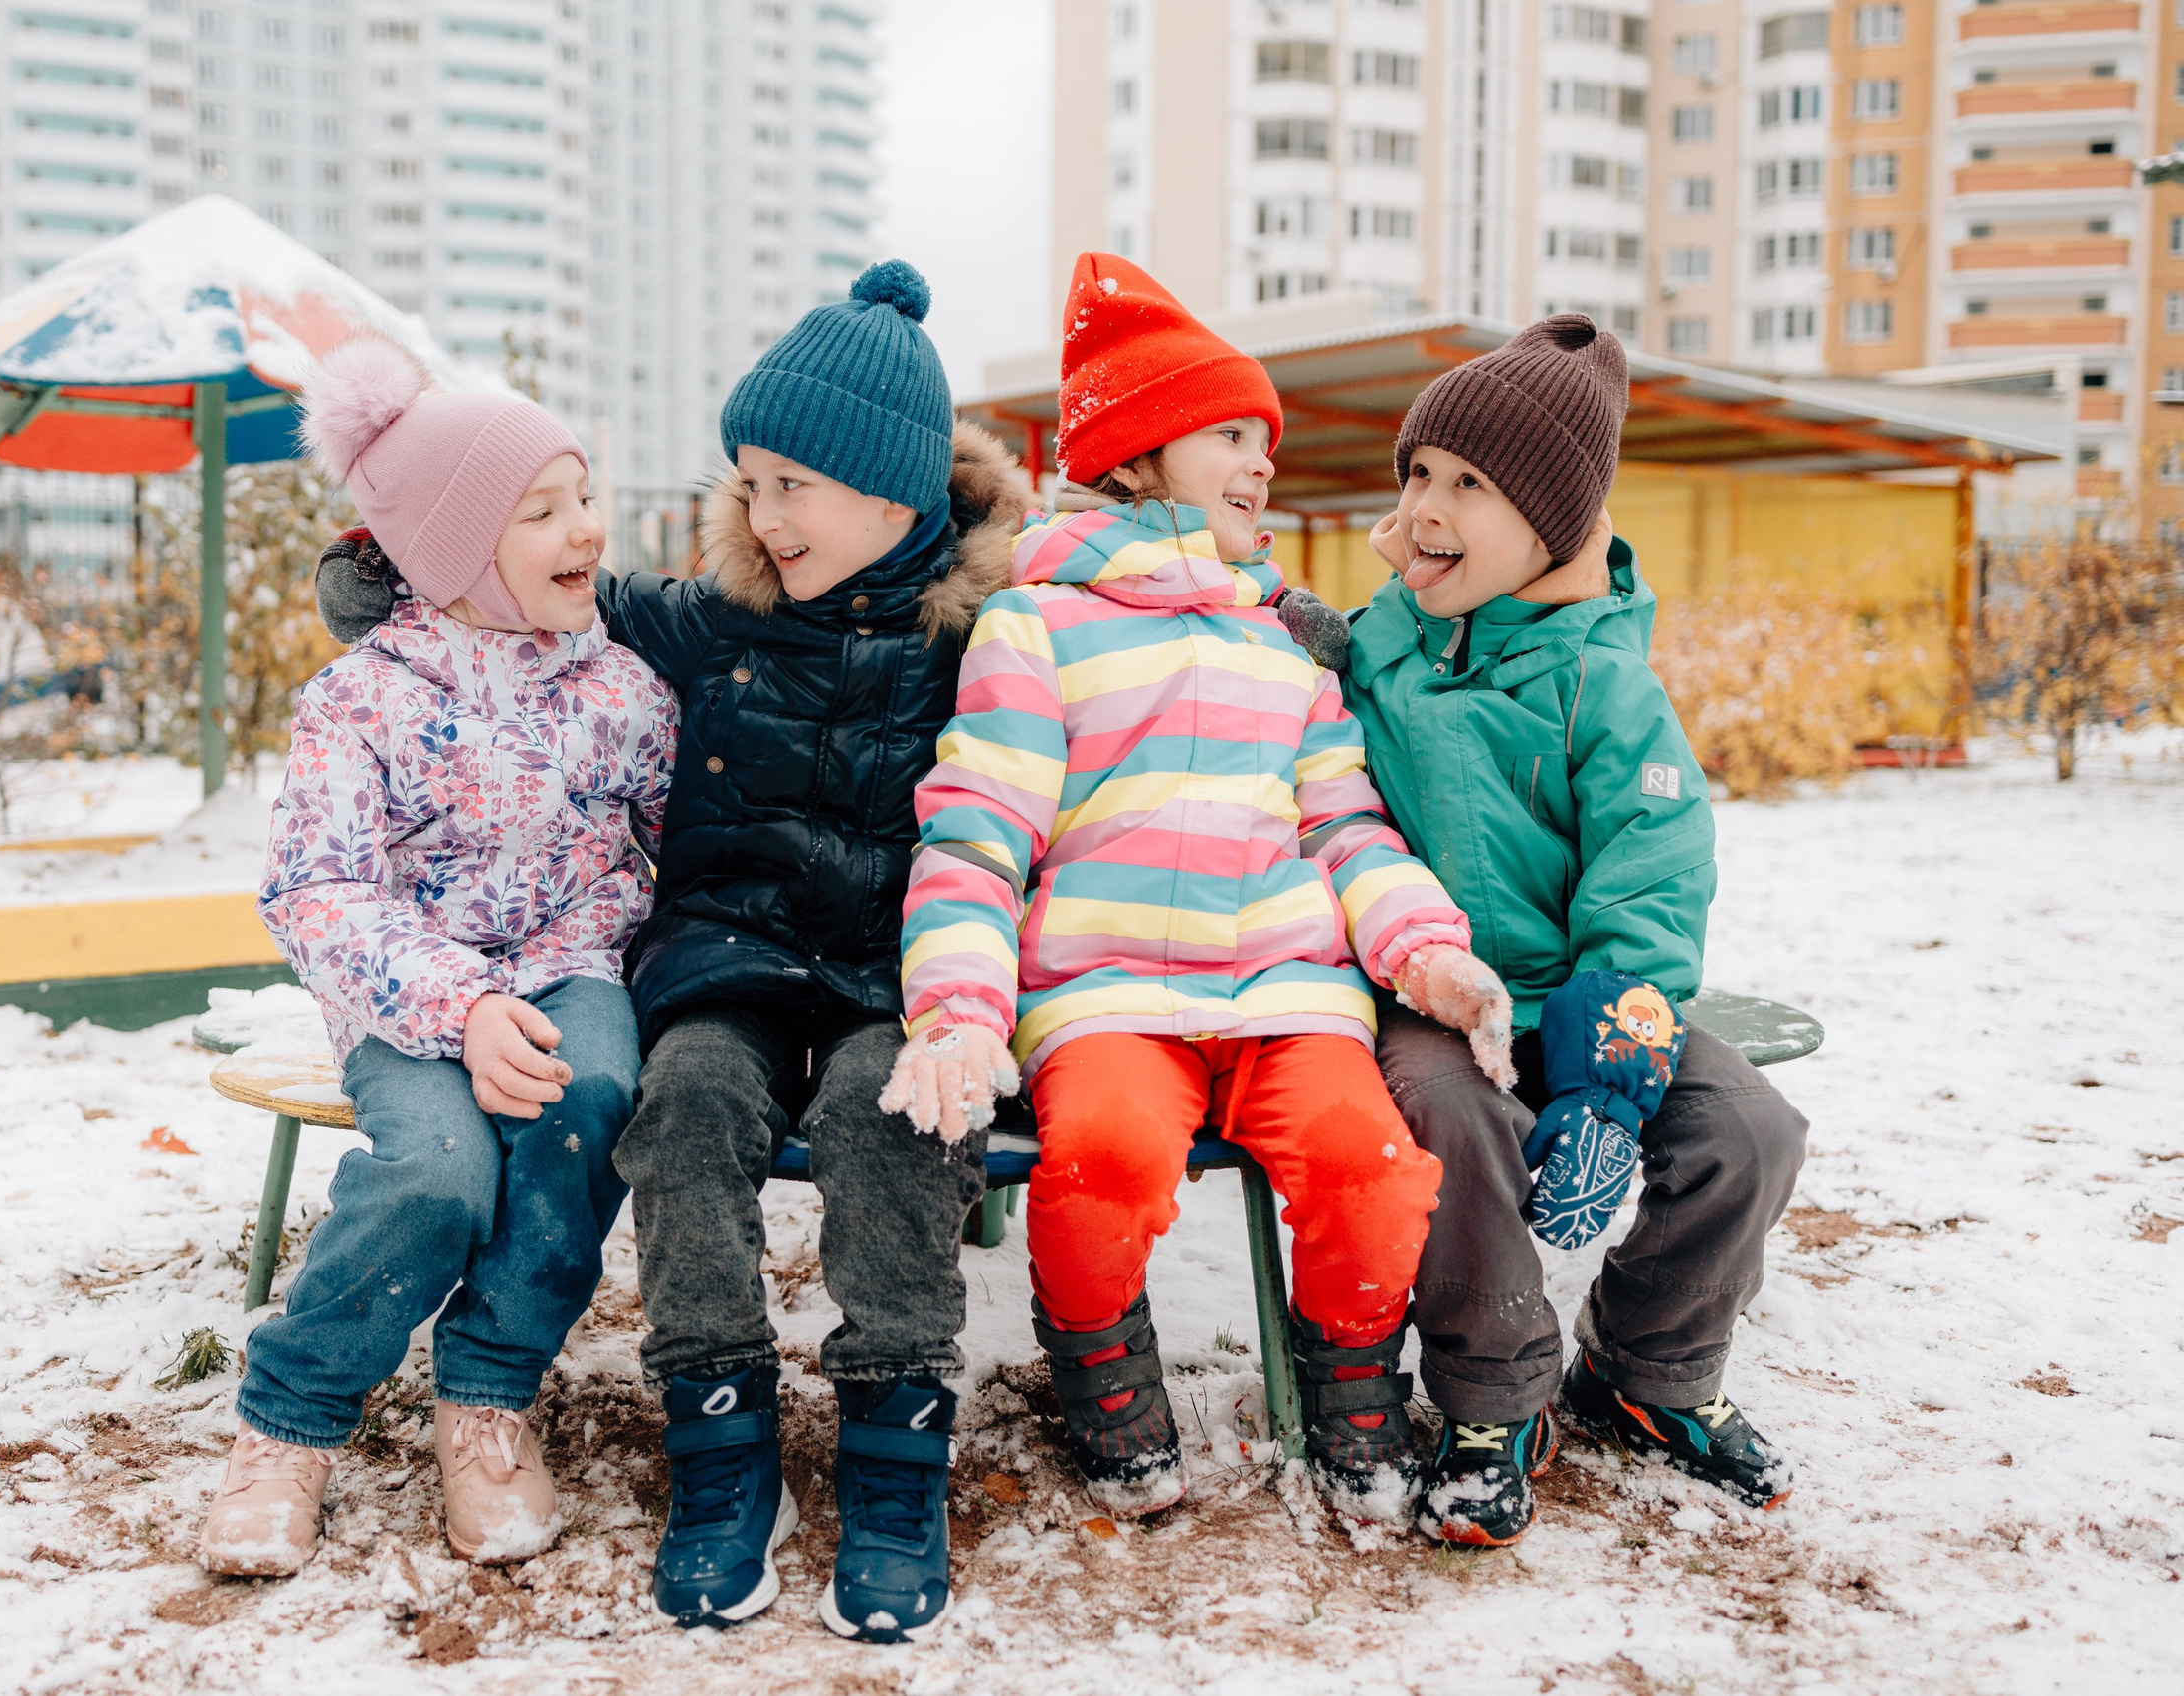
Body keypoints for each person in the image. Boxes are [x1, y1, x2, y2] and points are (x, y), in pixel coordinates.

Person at [891, 253, 1514, 1524]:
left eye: (1265, 446)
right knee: (1102, 1161)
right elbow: (977, 833)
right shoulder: (1038, 623)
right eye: (1230, 435)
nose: (1258, 465)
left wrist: (1424, 951)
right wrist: (957, 1008)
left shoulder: (1283, 643)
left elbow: (1345, 824)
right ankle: (1101, 1362)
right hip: (1108, 994)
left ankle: (1350, 1373)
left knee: (1369, 1166)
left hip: (1286, 991)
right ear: (1139, 453)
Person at [1282, 314, 1810, 1546]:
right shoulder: (1373, 654)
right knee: (1453, 1123)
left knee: (1749, 1129)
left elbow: (1650, 872)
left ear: (1551, 526)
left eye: (1469, 483)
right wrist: (1273, 630)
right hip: (1430, 994)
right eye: (1418, 472)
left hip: (1587, 994)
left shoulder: (1603, 683)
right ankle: (1493, 1398)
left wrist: (1610, 1074)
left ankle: (1646, 1365)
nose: (1426, 504)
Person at [197, 340, 676, 1577]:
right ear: (456, 549)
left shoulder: (626, 688)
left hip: (569, 962)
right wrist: (458, 1005)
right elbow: (313, 887)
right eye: (543, 509)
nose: (586, 526)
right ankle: (291, 1415)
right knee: (440, 1170)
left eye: (584, 494)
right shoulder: (359, 699)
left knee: (589, 1100)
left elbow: (684, 844)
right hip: (408, 990)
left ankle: (489, 1391)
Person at [599, 262, 1026, 1642]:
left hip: (896, 981)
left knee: (888, 1115)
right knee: (685, 1105)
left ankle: (896, 1455)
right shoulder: (723, 613)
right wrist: (404, 573)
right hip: (727, 964)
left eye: (792, 485)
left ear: (894, 493)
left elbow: (1139, 619)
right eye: (750, 484)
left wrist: (1284, 624)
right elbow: (569, 598)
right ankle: (720, 1438)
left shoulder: (989, 635)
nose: (762, 514)